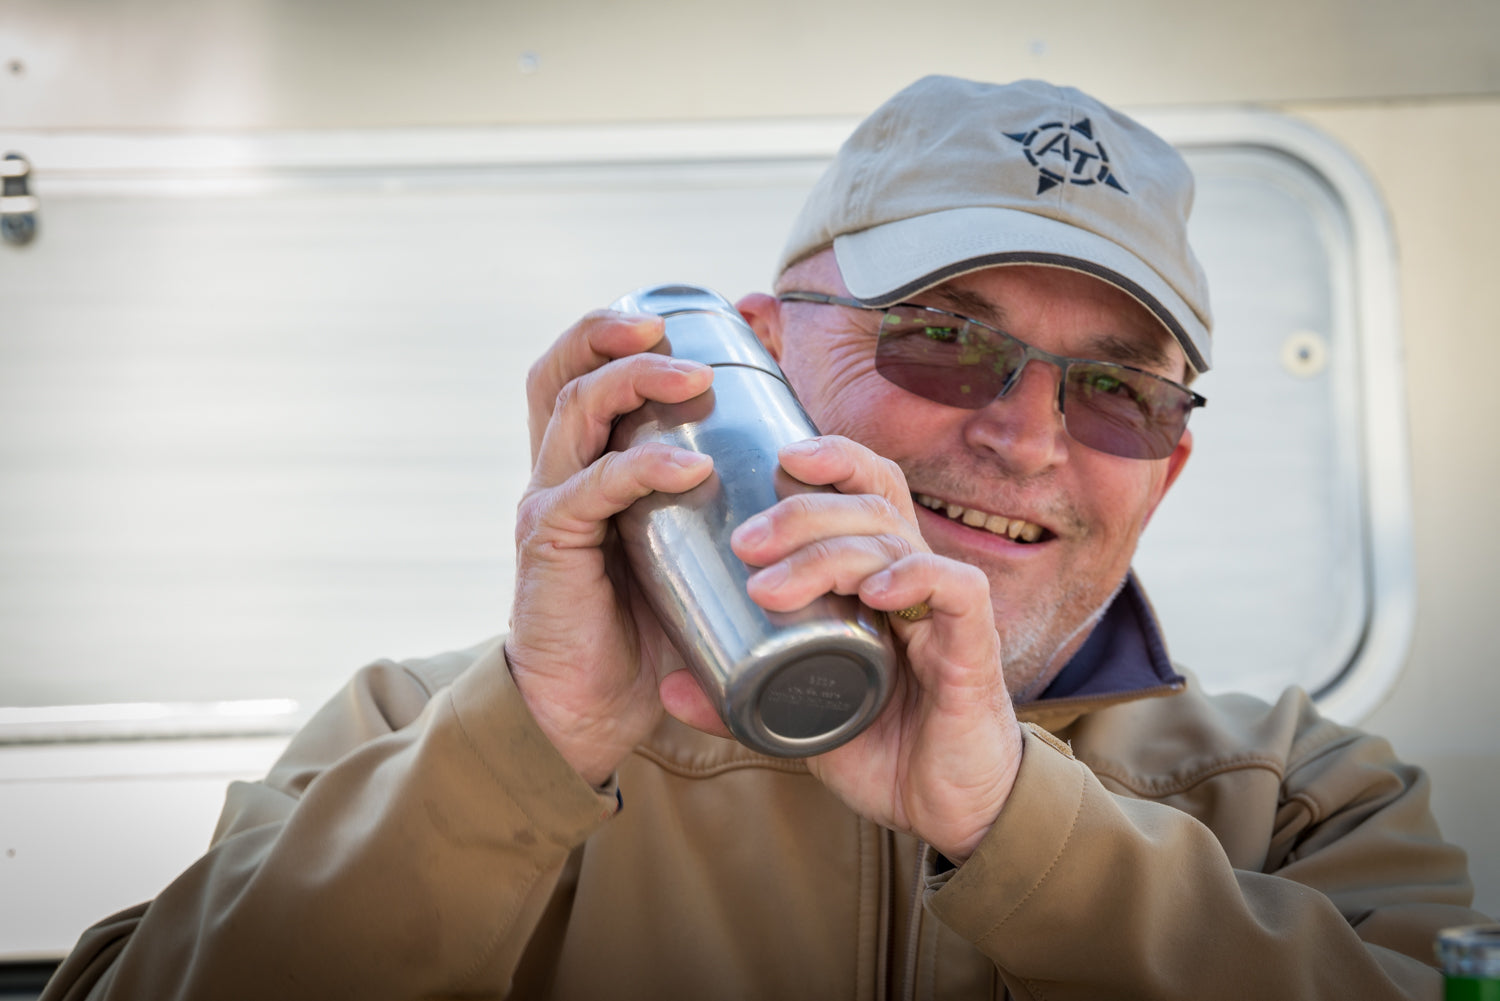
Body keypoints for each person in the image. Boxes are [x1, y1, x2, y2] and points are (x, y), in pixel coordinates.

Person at [41, 75, 1488, 1001]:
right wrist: (528, 753)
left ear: (1165, 469)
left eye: (1118, 389)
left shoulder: (1308, 793)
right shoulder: (423, 731)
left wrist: (1018, 826)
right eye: (940, 341)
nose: (1032, 438)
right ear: (755, 358)